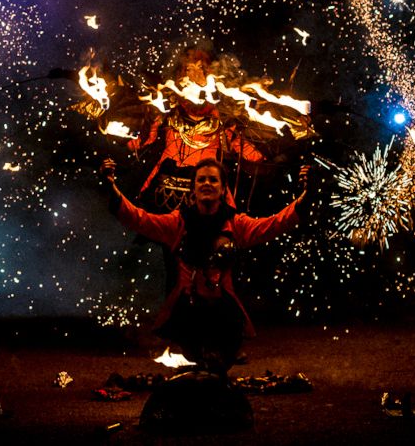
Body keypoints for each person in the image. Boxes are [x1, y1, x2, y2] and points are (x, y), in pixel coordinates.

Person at [100, 156, 310, 374]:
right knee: (194, 376)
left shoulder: (235, 223)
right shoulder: (179, 222)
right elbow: (139, 219)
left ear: (222, 190)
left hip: (223, 314)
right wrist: (111, 186)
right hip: (188, 313)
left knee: (216, 375)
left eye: (212, 180)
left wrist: (306, 197)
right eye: (201, 180)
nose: (206, 184)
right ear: (193, 189)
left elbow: (274, 224)